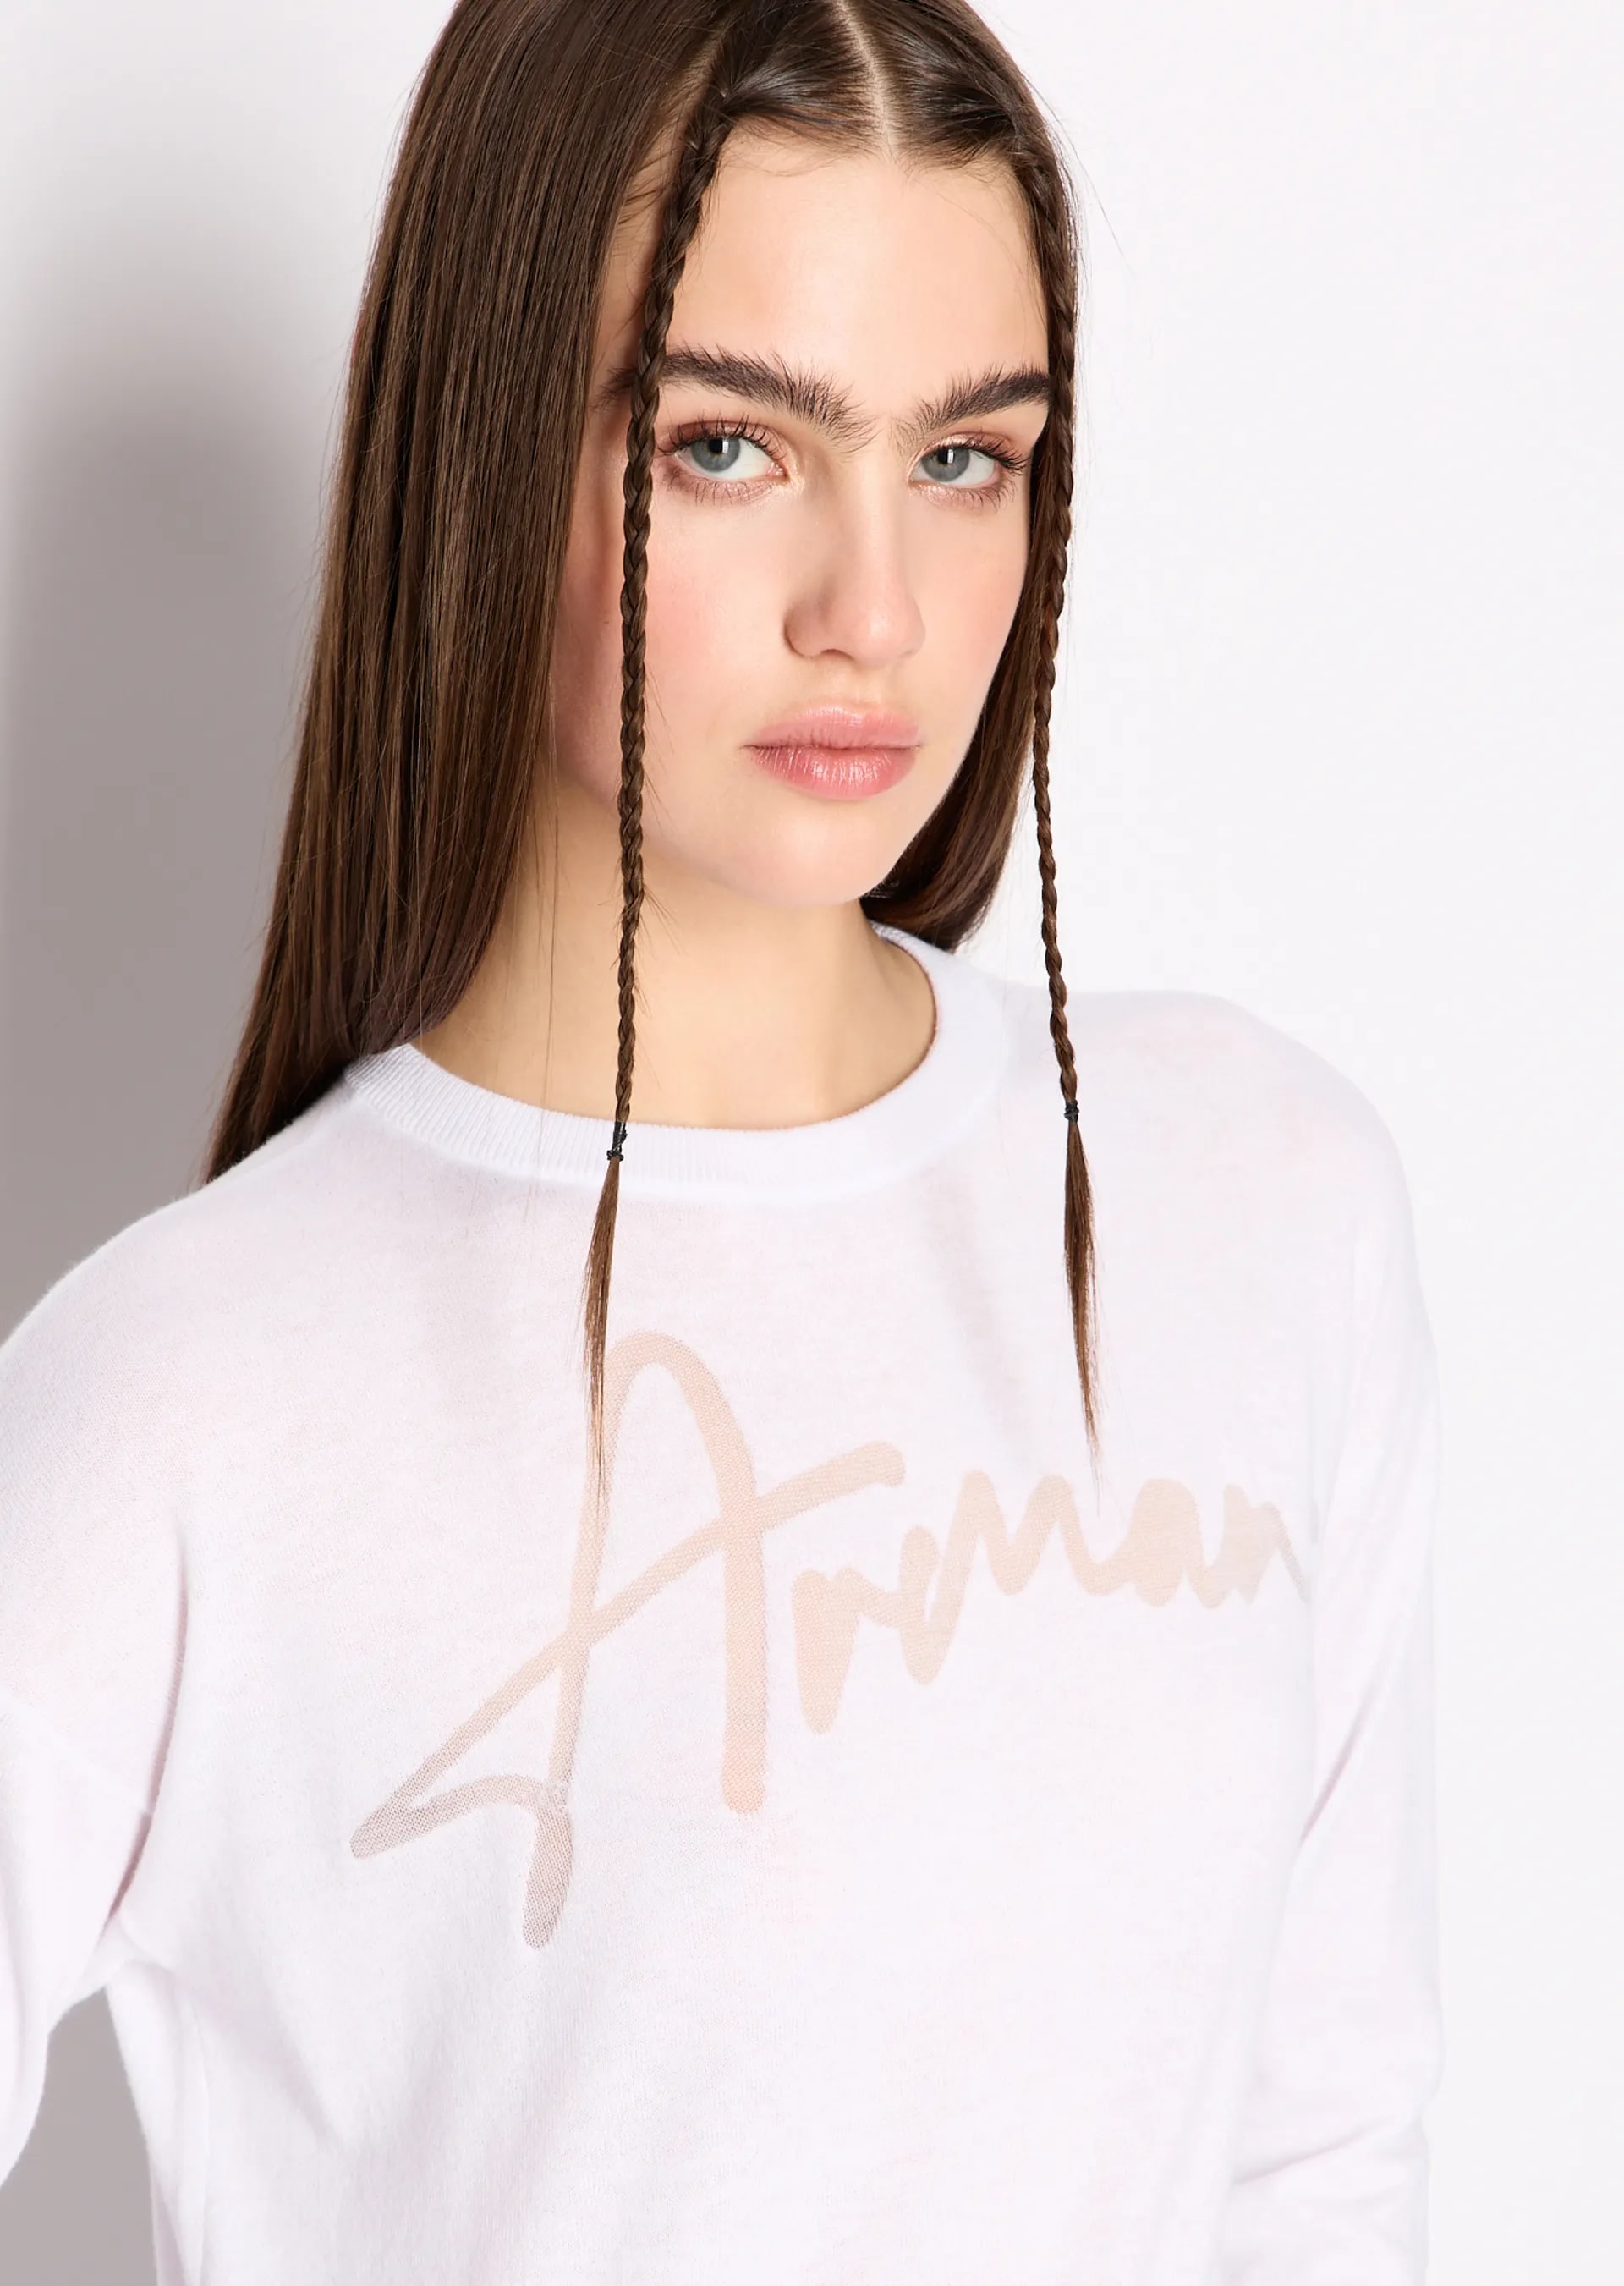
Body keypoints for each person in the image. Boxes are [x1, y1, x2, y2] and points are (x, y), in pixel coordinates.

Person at [0, 0, 1446, 2279]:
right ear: (488, 440)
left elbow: (1323, 2168)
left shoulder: (1261, 1204)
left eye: (963, 456)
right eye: (729, 447)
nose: (875, 610)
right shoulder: (183, 1395)